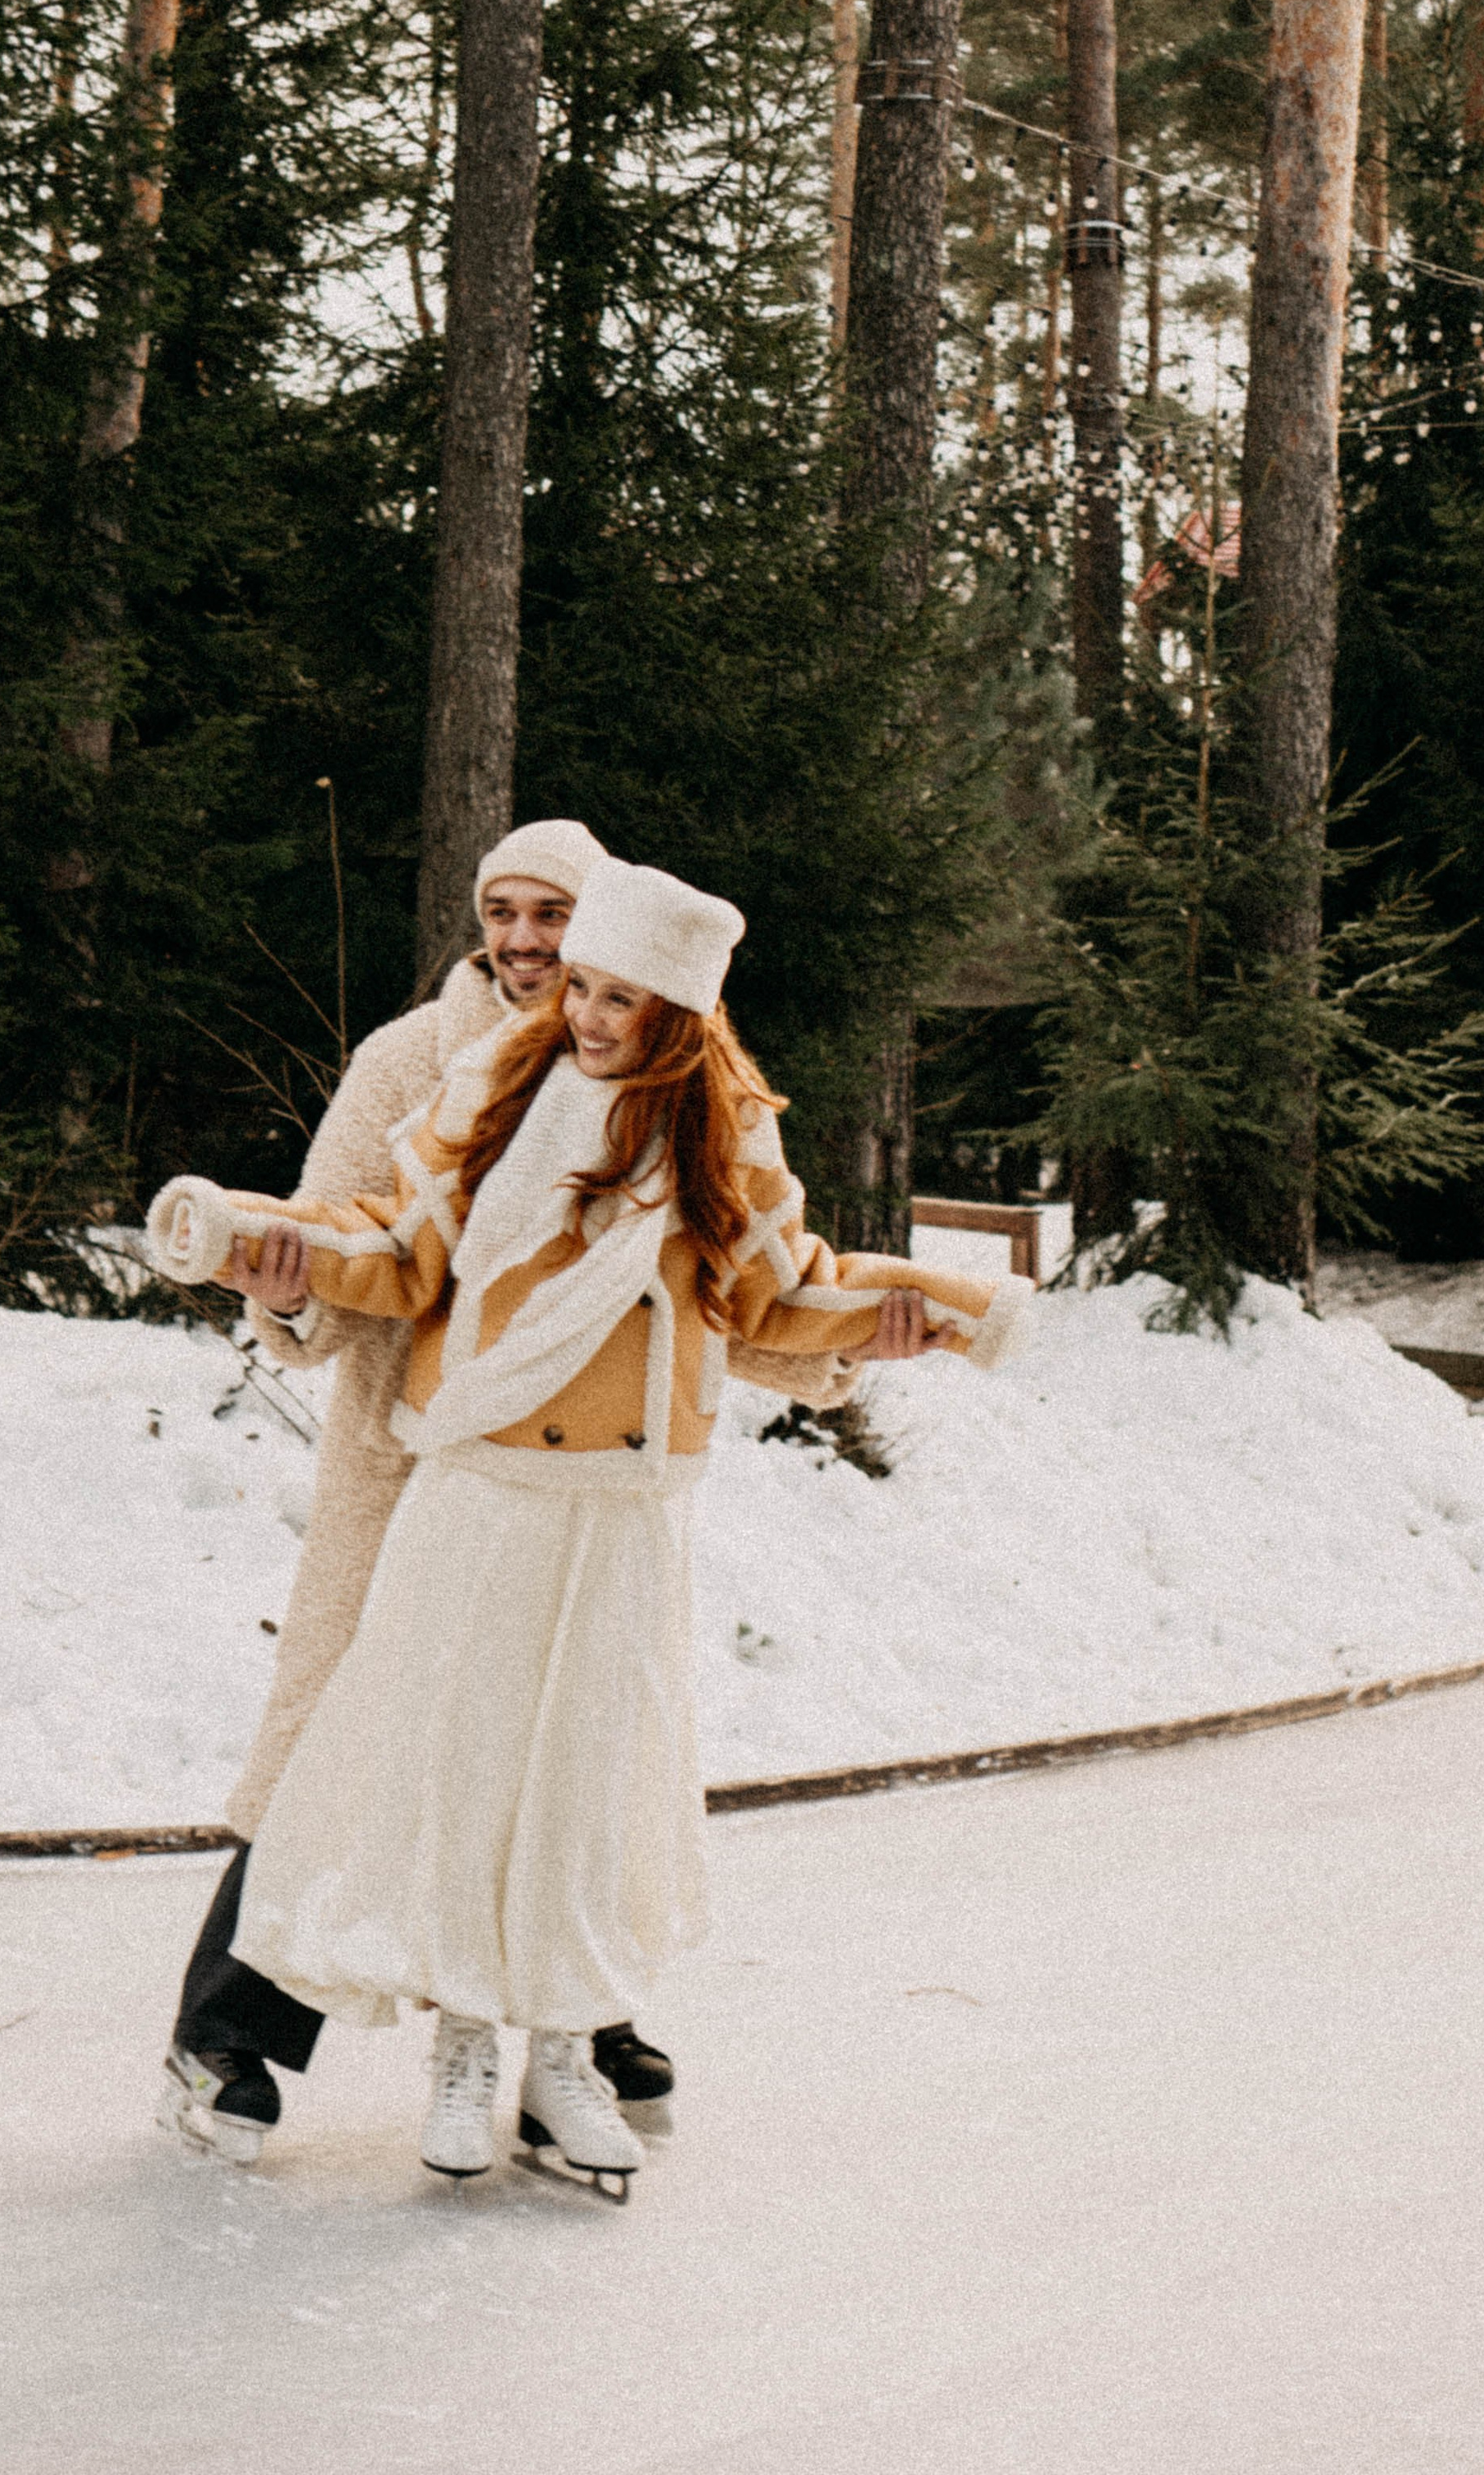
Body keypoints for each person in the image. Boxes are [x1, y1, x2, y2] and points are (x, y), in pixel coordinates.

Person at [146, 859, 1034, 2196]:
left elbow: (770, 1292)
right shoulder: (451, 1075)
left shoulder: (716, 1125)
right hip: (456, 1467)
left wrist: (923, 1318)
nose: (569, 990)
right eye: (541, 949)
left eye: (587, 959)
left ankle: (565, 2052)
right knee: (415, 1757)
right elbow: (377, 1241)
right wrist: (265, 1253)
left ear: (671, 999)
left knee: (585, 1776)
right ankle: (332, 2042)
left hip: (621, 1502)